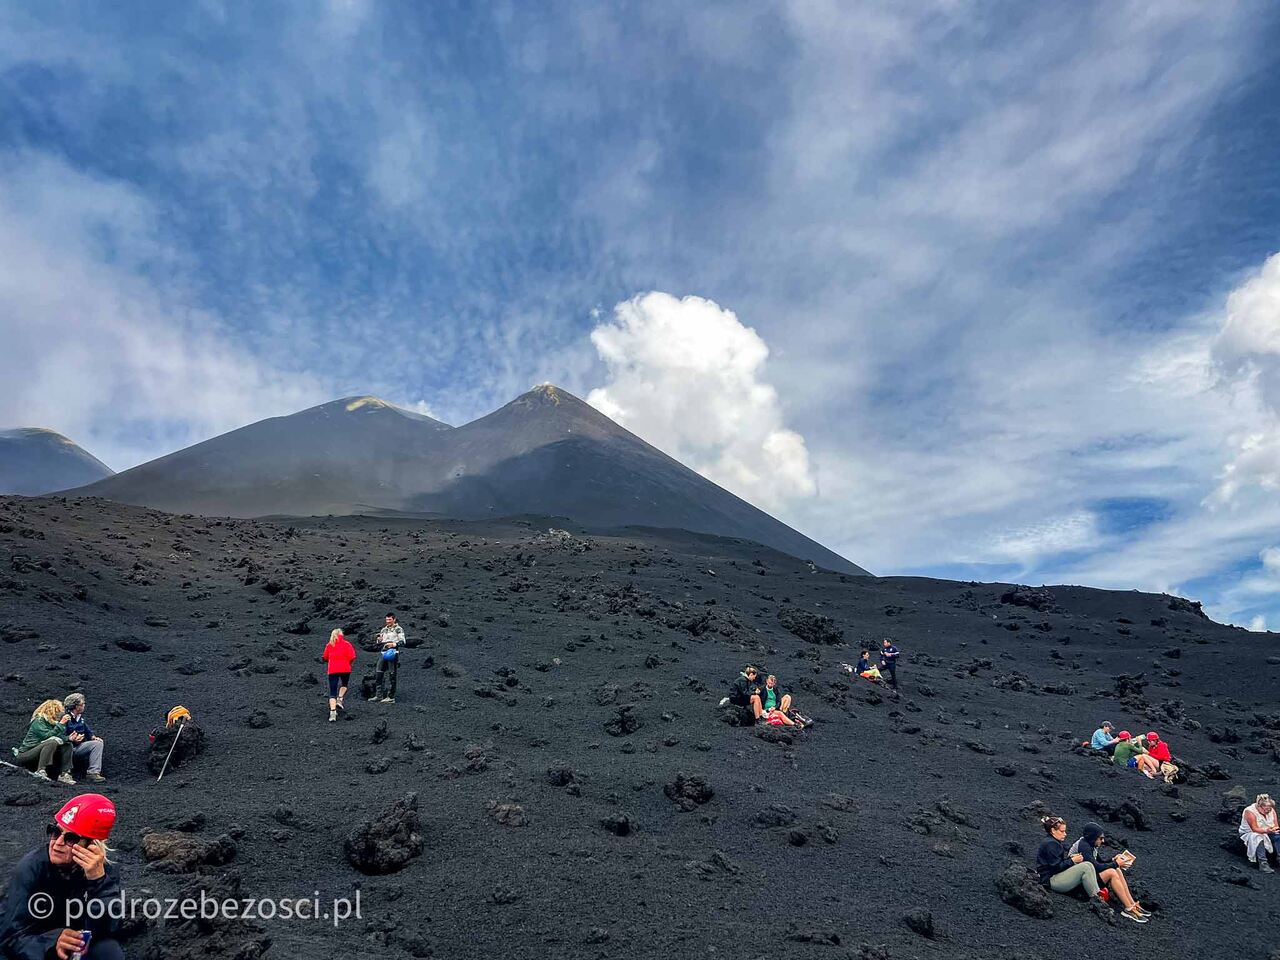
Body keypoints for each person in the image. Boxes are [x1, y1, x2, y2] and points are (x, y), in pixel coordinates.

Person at [0, 793, 123, 959]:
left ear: (91, 845)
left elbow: (108, 929)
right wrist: (52, 941)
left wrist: (98, 882)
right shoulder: (31, 868)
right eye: (55, 831)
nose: (57, 843)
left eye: (71, 838)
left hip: (74, 944)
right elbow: (10, 938)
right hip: (35, 946)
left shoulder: (101, 868)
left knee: (109, 951)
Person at [1035, 816, 1146, 922]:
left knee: (1113, 869)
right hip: (1051, 881)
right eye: (1062, 831)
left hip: (1062, 878)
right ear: (1053, 831)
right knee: (1087, 866)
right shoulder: (1052, 844)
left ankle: (1131, 905)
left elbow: (1097, 863)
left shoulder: (1055, 842)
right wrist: (1072, 861)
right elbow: (1056, 867)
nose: (1065, 834)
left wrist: (1114, 861)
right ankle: (1098, 901)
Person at [1070, 821, 1151, 920]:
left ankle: (1132, 903)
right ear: (1093, 837)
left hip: (1086, 878)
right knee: (1112, 871)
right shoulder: (1084, 846)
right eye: (1100, 838)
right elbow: (1096, 866)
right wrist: (1116, 863)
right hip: (1079, 884)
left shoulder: (1090, 845)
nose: (1103, 841)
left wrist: (1113, 861)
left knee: (1116, 869)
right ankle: (1128, 908)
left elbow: (1099, 862)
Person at [11, 701, 74, 785]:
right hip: (26, 754)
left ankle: (64, 774)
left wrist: (68, 738)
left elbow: (59, 737)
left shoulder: (53, 723)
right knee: (52, 742)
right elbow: (46, 736)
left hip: (40, 752)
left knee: (67, 745)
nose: (61, 713)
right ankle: (41, 770)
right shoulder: (39, 721)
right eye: (59, 711)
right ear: (53, 711)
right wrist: (61, 724)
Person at [60, 694, 106, 784]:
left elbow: (87, 730)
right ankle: (65, 773)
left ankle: (93, 773)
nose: (84, 705)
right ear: (76, 706)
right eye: (82, 704)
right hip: (67, 748)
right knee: (68, 745)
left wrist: (93, 737)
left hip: (78, 747)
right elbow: (59, 734)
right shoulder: (65, 718)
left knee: (97, 744)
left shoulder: (80, 718)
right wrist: (71, 738)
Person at [321, 628, 356, 722]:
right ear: (341, 635)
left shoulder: (329, 645)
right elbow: (353, 656)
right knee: (344, 684)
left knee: (332, 692)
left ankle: (333, 713)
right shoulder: (347, 644)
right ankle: (340, 699)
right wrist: (348, 663)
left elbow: (325, 657)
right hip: (345, 669)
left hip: (333, 670)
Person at [1239, 793, 1280, 873]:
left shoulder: (1271, 810)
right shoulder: (1250, 812)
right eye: (1266, 809)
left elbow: (1276, 825)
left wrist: (1274, 829)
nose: (1268, 811)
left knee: (1278, 836)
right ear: (1259, 806)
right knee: (1257, 837)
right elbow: (1254, 828)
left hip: (1268, 831)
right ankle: (1263, 863)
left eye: (1269, 809)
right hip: (1250, 833)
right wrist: (1267, 830)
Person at [370, 613, 405, 704]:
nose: (388, 621)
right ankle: (379, 695)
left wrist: (394, 644)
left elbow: (403, 641)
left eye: (390, 619)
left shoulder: (398, 629)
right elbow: (379, 642)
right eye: (387, 620)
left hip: (392, 653)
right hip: (383, 652)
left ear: (394, 619)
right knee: (379, 672)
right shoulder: (384, 629)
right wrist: (379, 639)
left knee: (392, 674)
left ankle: (391, 697)